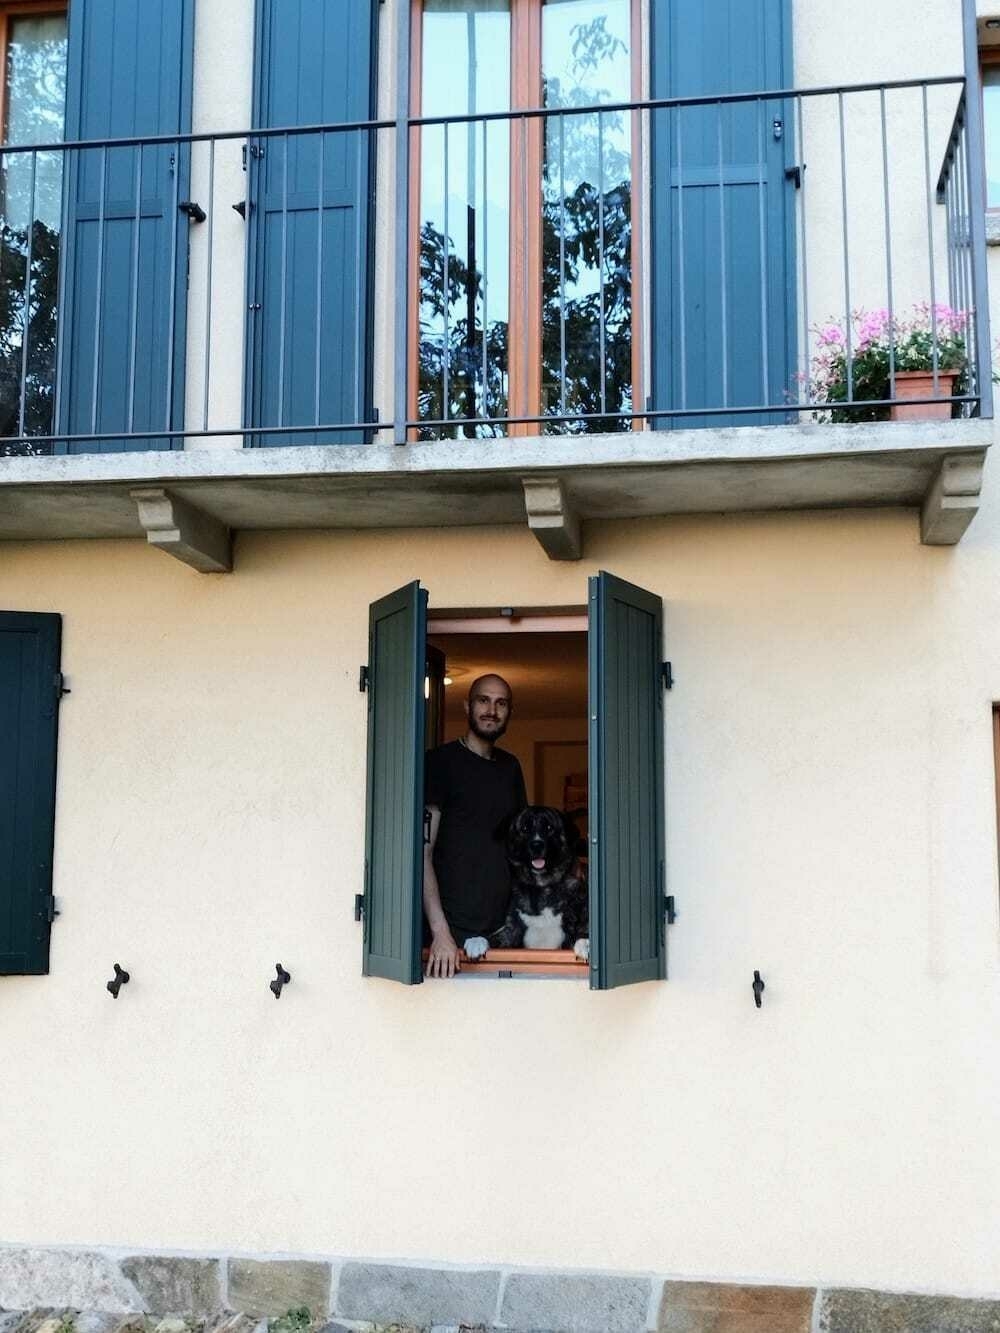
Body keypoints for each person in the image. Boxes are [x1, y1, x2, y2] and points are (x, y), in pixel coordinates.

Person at [423, 673, 527, 978]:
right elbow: (421, 854)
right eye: (483, 700)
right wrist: (440, 933)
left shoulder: (510, 767)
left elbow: (519, 850)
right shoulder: (440, 763)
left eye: (501, 703)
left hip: (502, 933)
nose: (491, 710)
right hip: (450, 939)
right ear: (467, 706)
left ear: (509, 712)